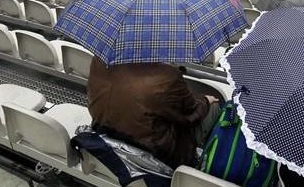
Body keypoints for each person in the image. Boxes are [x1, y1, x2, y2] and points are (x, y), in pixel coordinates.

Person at [88, 57, 220, 168]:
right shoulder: (168, 75)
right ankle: (198, 161)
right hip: (157, 153)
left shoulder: (99, 60)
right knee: (214, 107)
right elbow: (190, 114)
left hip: (104, 131)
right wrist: (206, 101)